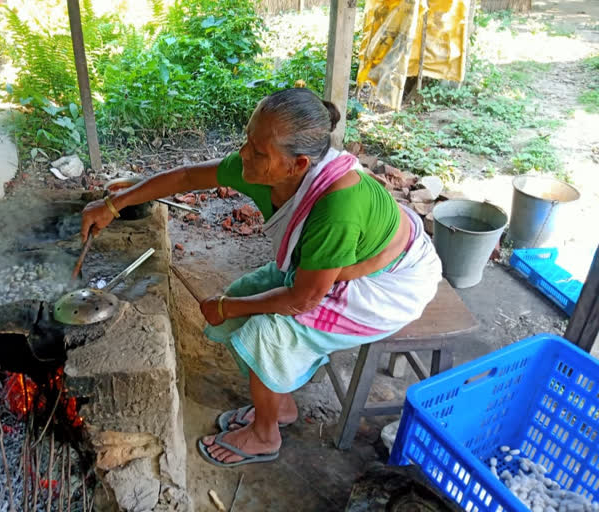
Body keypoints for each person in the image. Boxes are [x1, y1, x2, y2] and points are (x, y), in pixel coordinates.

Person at [80, 88, 442, 468]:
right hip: (334, 268)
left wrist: (224, 306)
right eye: (247, 141)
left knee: (261, 334)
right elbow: (188, 175)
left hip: (386, 286)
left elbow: (303, 299)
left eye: (257, 152)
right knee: (243, 299)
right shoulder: (266, 168)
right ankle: (279, 404)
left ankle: (265, 435)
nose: (243, 156)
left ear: (297, 164)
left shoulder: (337, 206)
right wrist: (113, 204)